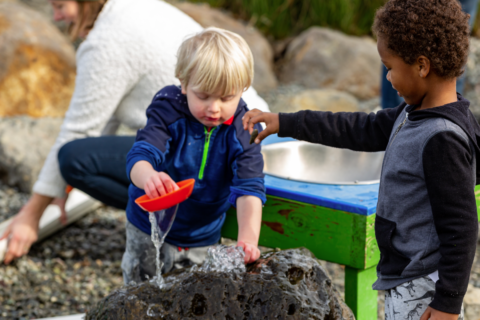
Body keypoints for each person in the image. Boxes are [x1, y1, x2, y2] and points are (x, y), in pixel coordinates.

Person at [243, 0, 480, 319]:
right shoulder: (414, 114)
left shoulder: (442, 139)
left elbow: (461, 228)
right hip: (409, 280)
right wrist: (285, 122)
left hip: (424, 289)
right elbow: (355, 128)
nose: (388, 77)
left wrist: (447, 303)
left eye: (390, 67)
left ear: (422, 66)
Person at [0, 0, 270, 265]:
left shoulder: (106, 42)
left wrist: (31, 215)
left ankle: (182, 215)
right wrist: (60, 188)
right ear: (183, 84)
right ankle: (157, 213)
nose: (56, 16)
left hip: (220, 152)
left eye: (60, 6)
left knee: (72, 157)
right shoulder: (134, 9)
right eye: (54, 8)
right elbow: (111, 125)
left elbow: (79, 130)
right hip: (180, 139)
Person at [122, 27, 265, 284]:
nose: (213, 108)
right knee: (138, 294)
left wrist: (248, 240)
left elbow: (250, 188)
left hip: (204, 235)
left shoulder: (245, 129)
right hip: (148, 227)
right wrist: (149, 177)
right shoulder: (168, 111)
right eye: (203, 96)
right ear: (184, 83)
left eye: (226, 97)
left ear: (243, 88)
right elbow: (140, 155)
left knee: (198, 299)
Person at [381, 0, 479, 109]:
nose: (387, 77)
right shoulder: (409, 110)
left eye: (389, 69)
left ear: (422, 67)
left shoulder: (442, 126)